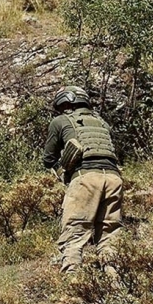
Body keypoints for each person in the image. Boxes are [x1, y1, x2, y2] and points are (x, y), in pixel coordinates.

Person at [43, 86, 123, 273]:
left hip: (85, 178)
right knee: (109, 235)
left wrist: (62, 171)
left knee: (74, 233)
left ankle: (73, 283)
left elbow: (48, 159)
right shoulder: (102, 123)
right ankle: (114, 280)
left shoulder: (61, 121)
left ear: (66, 102)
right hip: (113, 179)